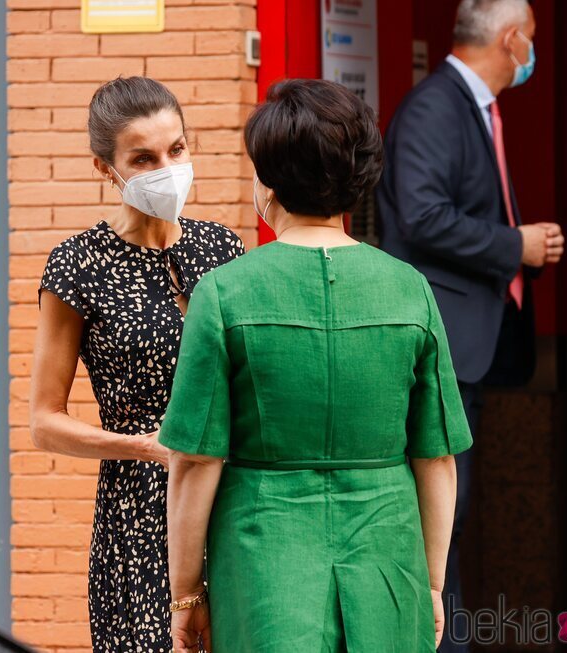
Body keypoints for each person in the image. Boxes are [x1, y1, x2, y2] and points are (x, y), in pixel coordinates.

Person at [160, 79, 472, 653]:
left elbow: (196, 460)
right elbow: (436, 457)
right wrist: (431, 584)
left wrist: (186, 594)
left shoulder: (224, 293)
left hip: (262, 565)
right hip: (388, 560)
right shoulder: (410, 290)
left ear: (270, 180)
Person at [29, 76, 245, 651]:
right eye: (144, 158)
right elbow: (44, 423)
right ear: (107, 168)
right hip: (139, 516)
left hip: (233, 504)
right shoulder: (77, 265)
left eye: (176, 150)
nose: (167, 168)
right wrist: (147, 446)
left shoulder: (222, 249)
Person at [377, 2, 564, 649]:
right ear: (511, 40)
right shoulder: (437, 107)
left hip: (471, 351)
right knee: (440, 518)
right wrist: (515, 245)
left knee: (451, 515)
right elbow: (424, 217)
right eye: (531, 40)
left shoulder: (474, 105)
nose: (532, 54)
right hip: (443, 348)